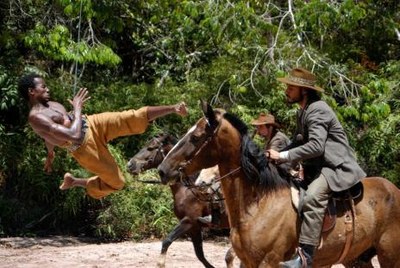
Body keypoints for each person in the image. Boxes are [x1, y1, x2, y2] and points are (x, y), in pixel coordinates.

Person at [18, 73, 188, 199]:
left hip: (92, 123)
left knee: (130, 117)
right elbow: (74, 135)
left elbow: (49, 137)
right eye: (43, 87)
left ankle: (173, 108)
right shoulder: (36, 118)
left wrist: (50, 155)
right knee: (117, 182)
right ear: (31, 91)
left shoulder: (51, 103)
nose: (48, 89)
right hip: (84, 148)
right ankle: (76, 181)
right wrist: (77, 108)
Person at [267, 67, 366, 268]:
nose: (286, 90)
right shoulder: (303, 110)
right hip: (317, 167)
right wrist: (272, 157)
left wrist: (283, 155)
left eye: (290, 87)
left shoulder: (318, 109)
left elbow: (316, 146)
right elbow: (298, 141)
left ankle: (305, 258)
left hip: (334, 167)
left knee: (312, 197)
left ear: (303, 90)